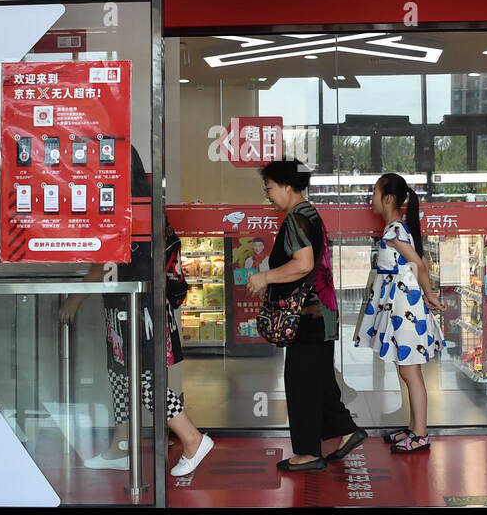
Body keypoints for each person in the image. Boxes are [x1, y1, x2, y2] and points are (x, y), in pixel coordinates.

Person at [58, 147, 213, 477]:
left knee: (141, 380)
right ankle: (120, 446)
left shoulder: (123, 204)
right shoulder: (146, 203)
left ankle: (192, 438)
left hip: (137, 307)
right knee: (121, 378)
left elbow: (104, 261)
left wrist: (76, 297)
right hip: (130, 305)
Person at [246, 160, 363, 471]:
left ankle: (309, 453)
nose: (267, 194)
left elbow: (303, 264)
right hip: (320, 312)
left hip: (306, 316)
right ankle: (347, 431)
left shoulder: (297, 219)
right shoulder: (310, 214)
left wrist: (265, 277)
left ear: (286, 186)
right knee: (320, 378)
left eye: (269, 187)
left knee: (301, 381)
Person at [354, 173, 444, 453]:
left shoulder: (394, 230)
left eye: (374, 192)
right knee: (407, 371)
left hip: (404, 311)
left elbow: (420, 265)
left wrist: (430, 295)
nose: (371, 199)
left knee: (410, 372)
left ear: (388, 198)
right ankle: (414, 428)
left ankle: (420, 435)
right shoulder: (395, 229)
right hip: (399, 309)